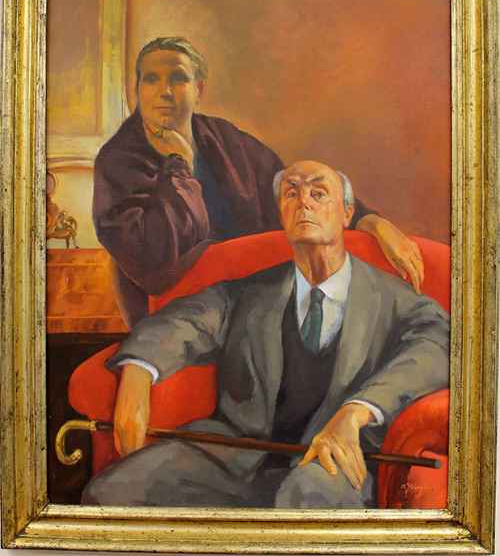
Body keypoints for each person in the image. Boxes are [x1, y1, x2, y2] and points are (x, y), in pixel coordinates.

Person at [83, 160, 449, 509]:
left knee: (305, 498)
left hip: (331, 464)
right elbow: (183, 321)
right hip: (236, 457)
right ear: (281, 214)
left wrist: (358, 411)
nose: (303, 201)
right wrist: (138, 371)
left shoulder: (393, 299)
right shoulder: (249, 293)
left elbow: (436, 344)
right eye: (291, 193)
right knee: (112, 492)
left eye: (318, 193)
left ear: (347, 213)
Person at [93, 37, 424, 328]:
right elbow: (154, 258)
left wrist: (372, 222)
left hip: (256, 300)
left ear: (199, 90)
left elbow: (290, 187)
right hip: (180, 315)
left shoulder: (223, 138)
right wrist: (178, 166)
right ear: (137, 89)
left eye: (178, 78)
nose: (164, 91)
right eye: (151, 79)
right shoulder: (117, 161)